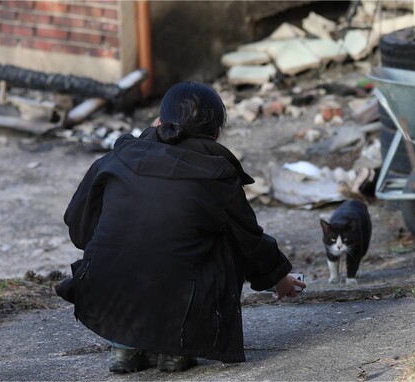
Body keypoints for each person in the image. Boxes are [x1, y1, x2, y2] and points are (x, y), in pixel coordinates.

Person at [56, 82, 306, 374]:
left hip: (108, 301)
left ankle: (124, 346)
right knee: (221, 236)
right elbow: (249, 241)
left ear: (159, 122)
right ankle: (176, 349)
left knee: (125, 246)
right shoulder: (218, 173)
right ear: (217, 133)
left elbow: (79, 226)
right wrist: (280, 279)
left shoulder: (115, 159)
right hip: (183, 310)